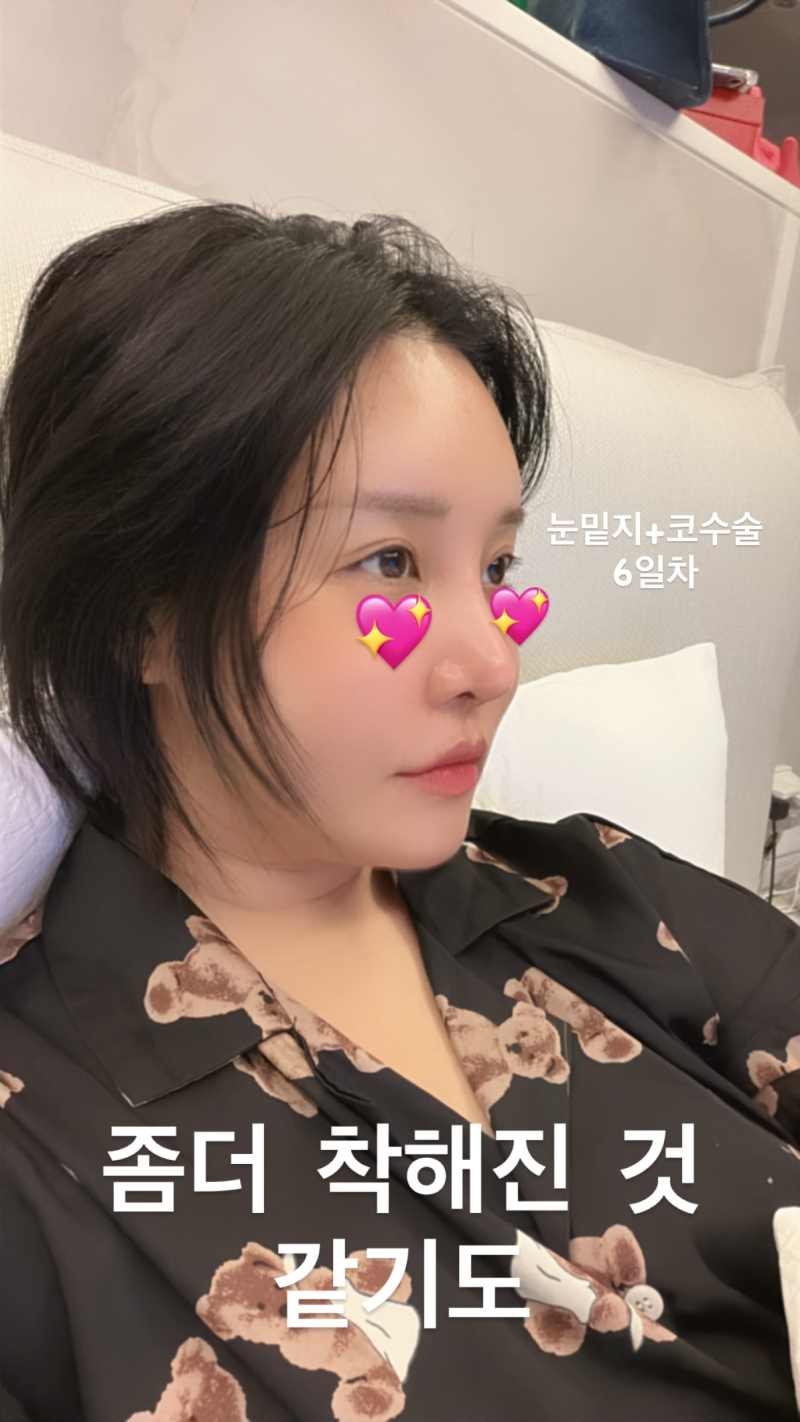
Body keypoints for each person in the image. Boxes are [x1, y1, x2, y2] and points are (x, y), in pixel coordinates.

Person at [0, 203, 797, 1422]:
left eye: (496, 569)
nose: (491, 662)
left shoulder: (605, 896)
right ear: (139, 611)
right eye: (388, 563)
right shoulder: (36, 1150)